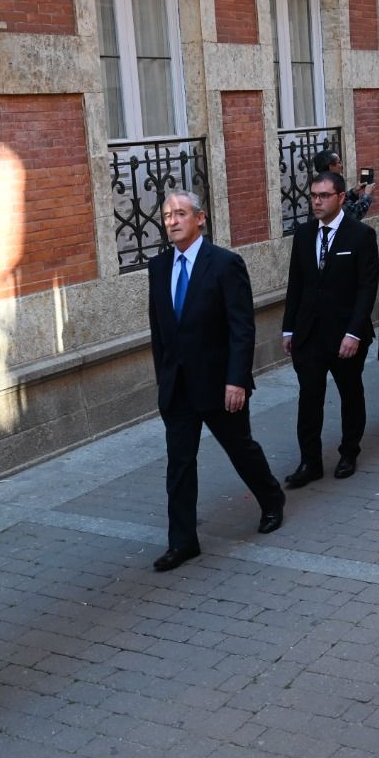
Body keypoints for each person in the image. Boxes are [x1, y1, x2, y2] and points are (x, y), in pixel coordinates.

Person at [147, 191, 285, 573]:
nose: (172, 221)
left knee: (240, 449)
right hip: (177, 389)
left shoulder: (224, 264)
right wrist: (163, 381)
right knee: (179, 465)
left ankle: (272, 499)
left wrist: (237, 380)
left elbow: (242, 328)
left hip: (220, 385)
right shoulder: (158, 268)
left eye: (180, 214)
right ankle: (183, 542)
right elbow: (159, 332)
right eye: (167, 215)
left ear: (200, 218)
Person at [281, 170, 379, 483]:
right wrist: (288, 328)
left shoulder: (360, 236)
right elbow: (296, 283)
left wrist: (354, 332)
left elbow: (367, 287)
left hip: (345, 335)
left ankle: (349, 451)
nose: (317, 202)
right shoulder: (304, 234)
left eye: (324, 196)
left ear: (340, 197)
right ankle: (309, 462)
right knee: (309, 397)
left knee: (350, 393)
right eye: (313, 196)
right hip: (309, 334)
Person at [314, 149, 375, 221]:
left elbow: (343, 203)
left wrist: (354, 191)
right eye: (339, 162)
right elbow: (354, 214)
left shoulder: (319, 183)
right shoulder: (330, 189)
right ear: (331, 167)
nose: (341, 165)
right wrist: (367, 195)